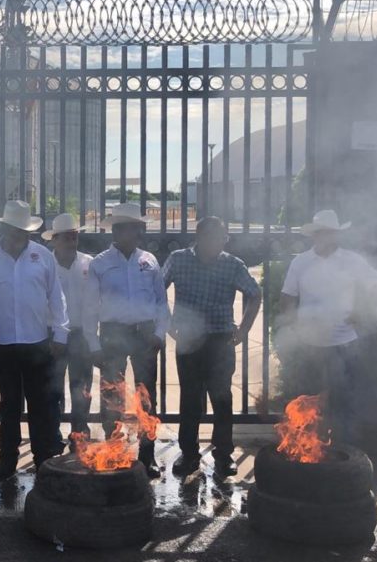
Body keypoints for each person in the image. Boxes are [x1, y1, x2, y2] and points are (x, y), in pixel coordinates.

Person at [0, 200, 69, 481]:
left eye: (24, 230)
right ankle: (7, 461)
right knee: (9, 406)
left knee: (40, 406)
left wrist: (61, 333)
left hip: (38, 343)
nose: (20, 235)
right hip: (4, 343)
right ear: (4, 228)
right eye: (15, 229)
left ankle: (42, 459)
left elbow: (56, 298)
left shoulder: (42, 256)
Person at [164, 216, 261, 478]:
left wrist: (244, 328)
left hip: (220, 340)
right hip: (189, 340)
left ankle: (224, 454)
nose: (221, 243)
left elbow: (254, 293)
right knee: (190, 398)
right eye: (216, 238)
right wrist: (168, 322)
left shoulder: (232, 264)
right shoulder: (178, 259)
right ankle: (189, 454)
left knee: (222, 398)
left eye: (223, 238)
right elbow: (157, 287)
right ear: (200, 237)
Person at [279, 209, 377, 442]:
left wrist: (362, 311)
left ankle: (346, 448)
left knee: (344, 399)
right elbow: (287, 297)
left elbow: (376, 285)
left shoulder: (352, 260)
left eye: (329, 232)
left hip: (344, 342)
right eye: (320, 232)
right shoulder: (300, 262)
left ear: (336, 235)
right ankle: (308, 445)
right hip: (309, 343)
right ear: (314, 235)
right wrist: (293, 325)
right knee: (307, 400)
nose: (325, 236)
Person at [83, 203, 170, 478]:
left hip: (145, 334)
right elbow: (89, 308)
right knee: (112, 396)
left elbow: (161, 302)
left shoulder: (150, 261)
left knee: (147, 398)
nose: (131, 233)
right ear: (116, 231)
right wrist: (94, 344)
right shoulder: (100, 264)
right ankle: (114, 451)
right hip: (113, 334)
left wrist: (159, 333)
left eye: (134, 228)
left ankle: (147, 455)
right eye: (125, 228)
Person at [42, 213, 94, 445]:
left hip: (81, 334)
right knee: (53, 389)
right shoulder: (45, 264)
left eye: (74, 237)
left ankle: (79, 435)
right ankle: (53, 436)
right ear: (54, 240)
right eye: (66, 237)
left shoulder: (88, 263)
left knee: (81, 388)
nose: (72, 242)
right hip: (53, 334)